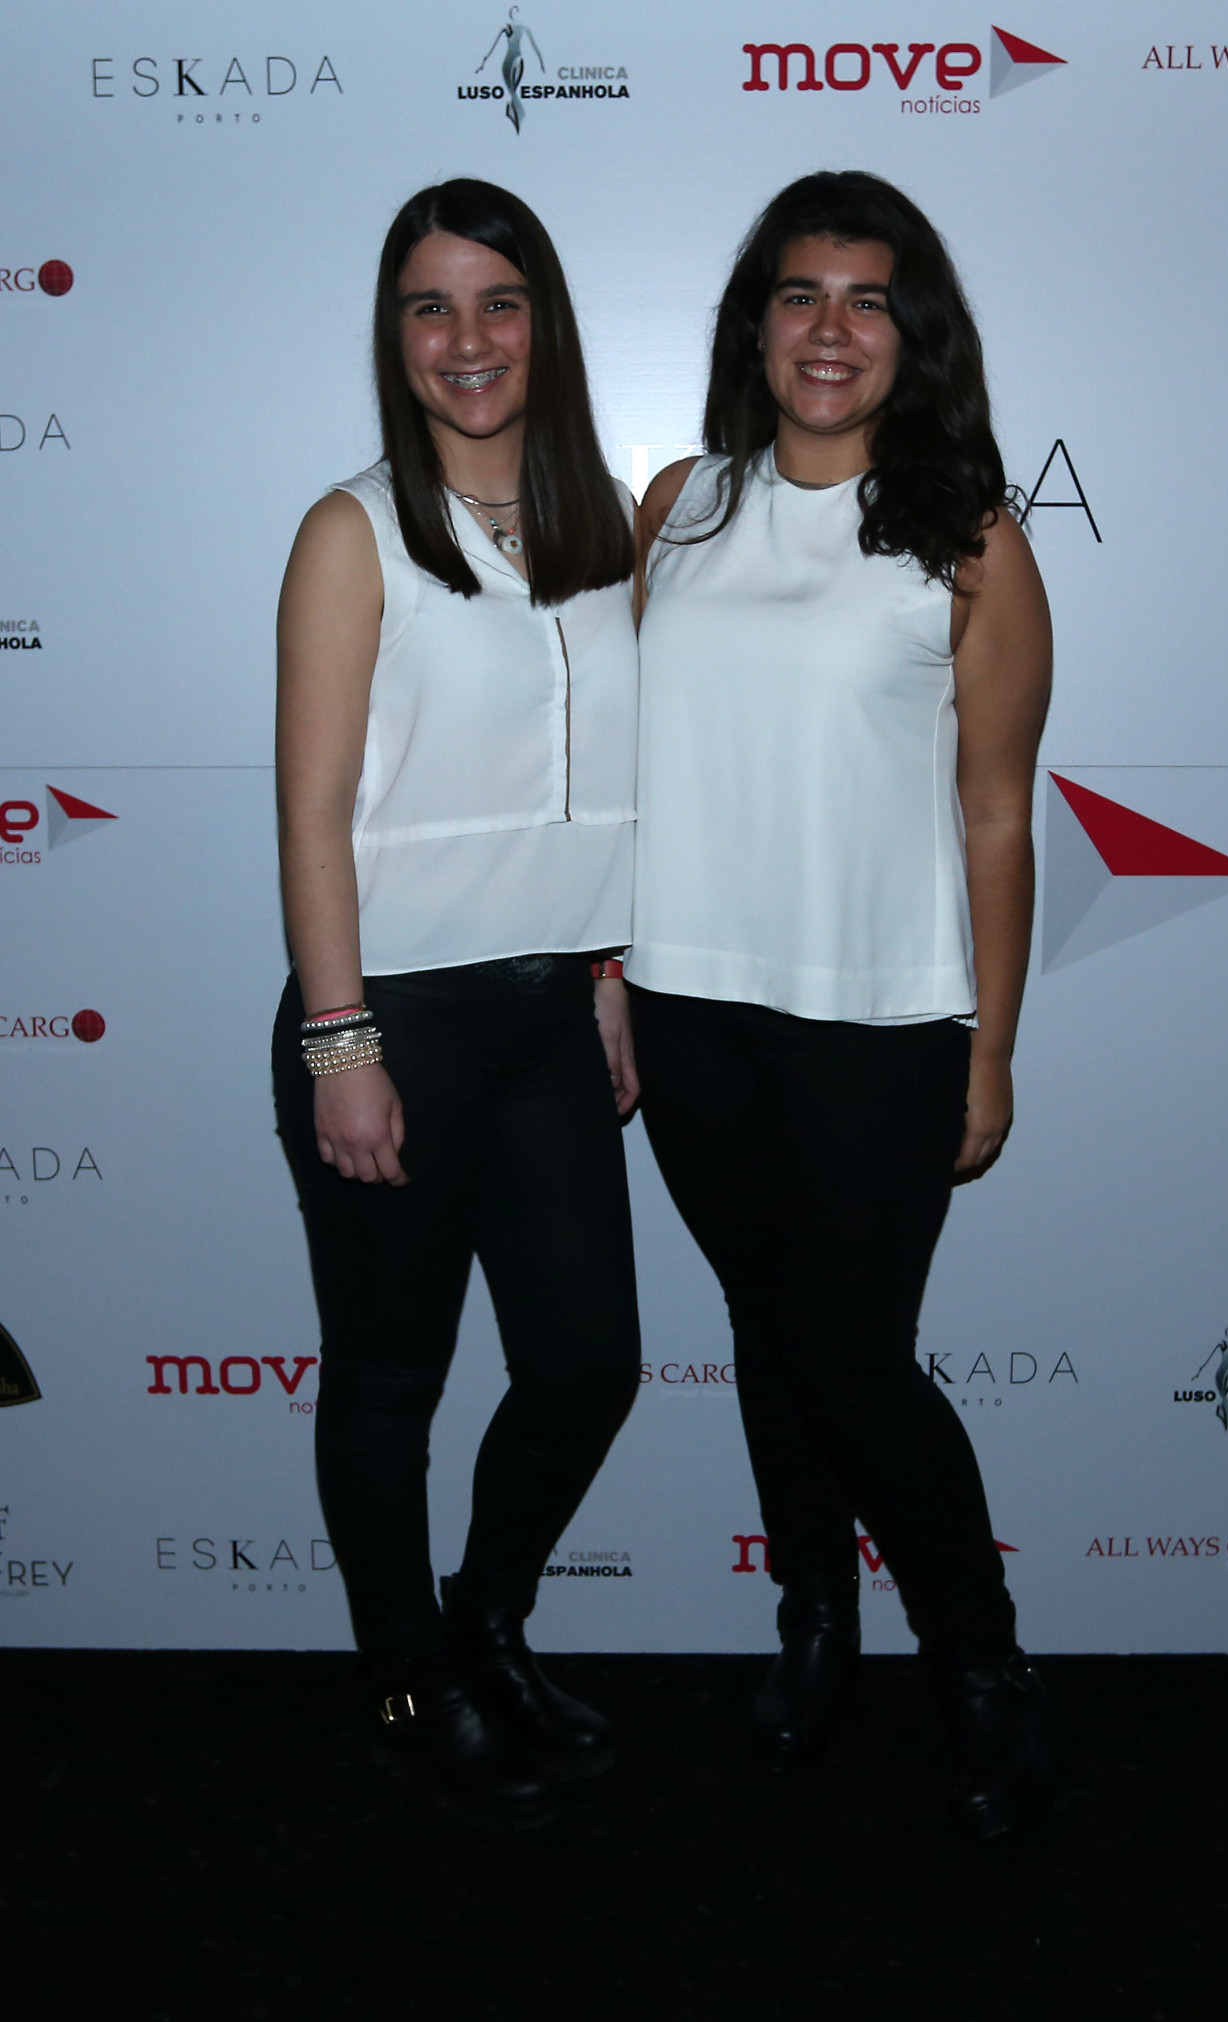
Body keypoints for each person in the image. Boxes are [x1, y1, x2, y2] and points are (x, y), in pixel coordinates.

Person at [629, 171, 1057, 1838]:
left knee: (852, 1361)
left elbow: (997, 813)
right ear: (754, 325)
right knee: (768, 1331)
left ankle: (981, 1660)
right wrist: (609, 975)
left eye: (866, 300)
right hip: (690, 1011)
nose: (829, 329)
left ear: (910, 335)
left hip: (880, 1022)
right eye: (799, 295)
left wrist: (990, 1049)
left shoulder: (969, 540)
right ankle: (814, 1614)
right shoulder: (677, 505)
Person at [272, 178, 640, 1829]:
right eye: (430, 306)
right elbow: (311, 812)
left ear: (542, 323)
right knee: (387, 1383)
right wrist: (341, 1042)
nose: (466, 338)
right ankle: (404, 1681)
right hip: (395, 1022)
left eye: (498, 302)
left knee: (586, 1361)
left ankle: (483, 1624)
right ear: (394, 334)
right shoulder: (351, 531)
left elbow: (607, 778)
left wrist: (609, 972)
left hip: (552, 1017)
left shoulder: (603, 521)